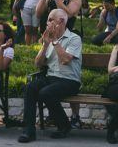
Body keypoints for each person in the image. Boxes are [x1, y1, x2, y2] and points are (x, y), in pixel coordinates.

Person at [18, 9, 82, 143]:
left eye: (51, 19)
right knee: (30, 88)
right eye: (48, 19)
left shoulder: (74, 38)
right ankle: (28, 131)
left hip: (70, 80)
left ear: (62, 21)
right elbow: (37, 64)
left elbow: (65, 60)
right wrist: (46, 44)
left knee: (46, 93)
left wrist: (54, 42)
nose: (47, 23)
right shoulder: (48, 39)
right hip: (51, 78)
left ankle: (64, 125)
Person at [35, 0, 83, 129]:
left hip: (68, 37)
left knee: (67, 71)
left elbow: (69, 13)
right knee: (53, 72)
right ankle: (54, 115)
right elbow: (38, 13)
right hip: (49, 37)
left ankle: (75, 116)